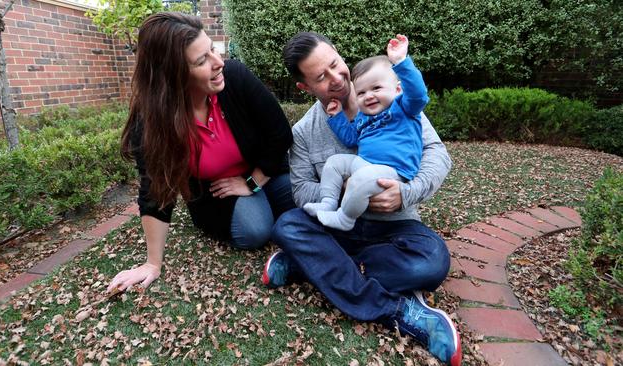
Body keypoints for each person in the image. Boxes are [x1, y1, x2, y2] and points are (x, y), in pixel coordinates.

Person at [262, 32, 461, 366]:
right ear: (305, 88)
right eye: (321, 77)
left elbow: (437, 153)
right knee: (287, 226)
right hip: (339, 229)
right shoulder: (304, 133)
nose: (337, 78)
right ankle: (399, 310)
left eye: (336, 65)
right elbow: (300, 190)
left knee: (433, 260)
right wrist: (351, 193)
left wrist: (405, 193)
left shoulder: (386, 94)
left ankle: (311, 264)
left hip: (395, 229)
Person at [107, 13, 295, 293]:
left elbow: (279, 133)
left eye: (212, 50)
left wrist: (252, 183)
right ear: (173, 76)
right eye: (201, 61)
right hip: (218, 193)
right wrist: (152, 263)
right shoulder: (152, 124)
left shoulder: (235, 77)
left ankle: (269, 202)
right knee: (256, 230)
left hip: (262, 170)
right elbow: (155, 190)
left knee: (304, 198)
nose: (218, 63)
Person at [303, 34, 427, 231]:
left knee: (360, 179)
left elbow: (419, 95)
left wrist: (401, 63)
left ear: (397, 89)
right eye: (361, 93)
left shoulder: (403, 107)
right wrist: (336, 117)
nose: (368, 96)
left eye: (376, 88)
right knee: (335, 163)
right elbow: (351, 138)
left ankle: (345, 218)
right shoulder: (363, 116)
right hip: (365, 163)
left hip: (393, 170)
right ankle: (327, 202)